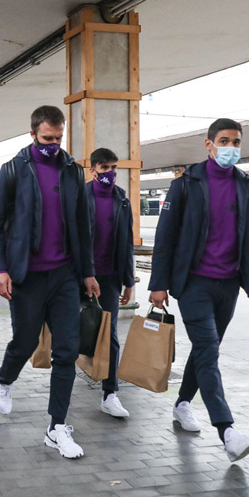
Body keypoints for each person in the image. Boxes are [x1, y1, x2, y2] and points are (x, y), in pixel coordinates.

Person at [149, 118, 249, 463]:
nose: (231, 147)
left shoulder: (246, 185)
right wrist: (158, 284)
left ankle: (182, 403)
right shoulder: (186, 184)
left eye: (236, 142)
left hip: (229, 283)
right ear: (209, 144)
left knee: (205, 350)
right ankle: (227, 431)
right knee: (208, 350)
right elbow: (165, 238)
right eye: (224, 141)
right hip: (193, 283)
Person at [0, 105, 99, 460]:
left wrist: (88, 271)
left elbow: (82, 227)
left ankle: (56, 428)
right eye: (48, 138)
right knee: (25, 342)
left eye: (59, 138)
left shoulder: (71, 171)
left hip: (64, 276)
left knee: (66, 351)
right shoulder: (13, 171)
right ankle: (5, 379)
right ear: (33, 134)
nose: (54, 144)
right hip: (27, 276)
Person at [85, 148, 135, 419]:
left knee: (111, 334)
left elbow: (126, 243)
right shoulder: (80, 196)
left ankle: (110, 393)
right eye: (104, 168)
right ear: (93, 169)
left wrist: (129, 281)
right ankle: (63, 383)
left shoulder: (121, 200)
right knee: (72, 331)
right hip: (80, 275)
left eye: (113, 167)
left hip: (110, 277)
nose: (110, 173)